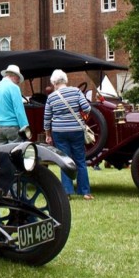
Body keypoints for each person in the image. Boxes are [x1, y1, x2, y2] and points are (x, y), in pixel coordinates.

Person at [44, 69, 94, 200]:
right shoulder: (76, 92)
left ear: (54, 82)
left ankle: (67, 192)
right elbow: (87, 108)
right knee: (80, 161)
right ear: (65, 80)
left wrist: (47, 134)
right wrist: (80, 116)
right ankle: (85, 192)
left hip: (59, 132)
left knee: (64, 161)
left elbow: (47, 118)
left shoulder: (51, 97)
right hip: (76, 130)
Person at [0, 64, 30, 143]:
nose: (18, 82)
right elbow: (19, 110)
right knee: (16, 152)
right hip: (12, 127)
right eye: (18, 80)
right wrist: (25, 128)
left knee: (1, 153)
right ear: (15, 76)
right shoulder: (14, 87)